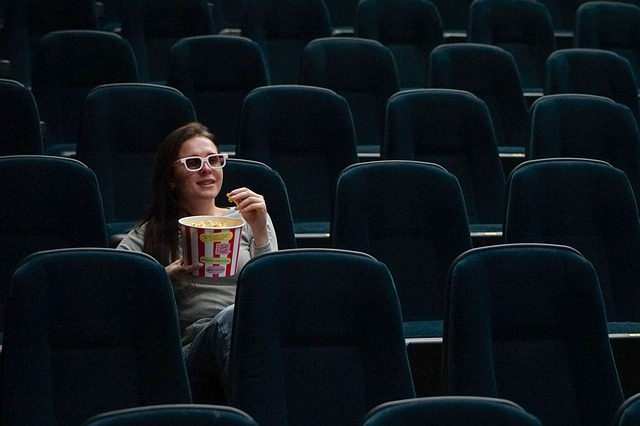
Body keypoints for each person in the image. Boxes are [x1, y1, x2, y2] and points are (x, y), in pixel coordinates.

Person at [117, 122, 278, 403]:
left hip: (254, 332)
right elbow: (118, 296)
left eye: (213, 160)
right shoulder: (149, 233)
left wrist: (261, 231)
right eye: (193, 163)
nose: (207, 169)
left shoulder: (249, 218)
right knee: (230, 319)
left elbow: (273, 291)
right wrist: (165, 279)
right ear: (171, 178)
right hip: (193, 347)